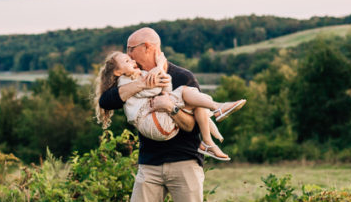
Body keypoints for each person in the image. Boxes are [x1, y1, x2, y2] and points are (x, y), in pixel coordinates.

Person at [96, 27, 219, 202]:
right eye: (127, 50)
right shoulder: (131, 77)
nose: (128, 54)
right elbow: (106, 100)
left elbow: (191, 127)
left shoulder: (182, 76)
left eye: (132, 49)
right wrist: (142, 84)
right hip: (149, 166)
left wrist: (171, 108)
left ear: (149, 47)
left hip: (184, 163)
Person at [95, 51, 245, 160]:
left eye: (131, 56)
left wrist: (168, 99)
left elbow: (165, 91)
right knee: (187, 93)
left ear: (148, 48)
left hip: (164, 129)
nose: (133, 60)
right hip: (154, 124)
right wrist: (159, 68)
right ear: (117, 71)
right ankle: (217, 109)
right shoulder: (126, 81)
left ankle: (209, 138)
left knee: (197, 101)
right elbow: (157, 89)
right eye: (127, 61)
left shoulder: (182, 75)